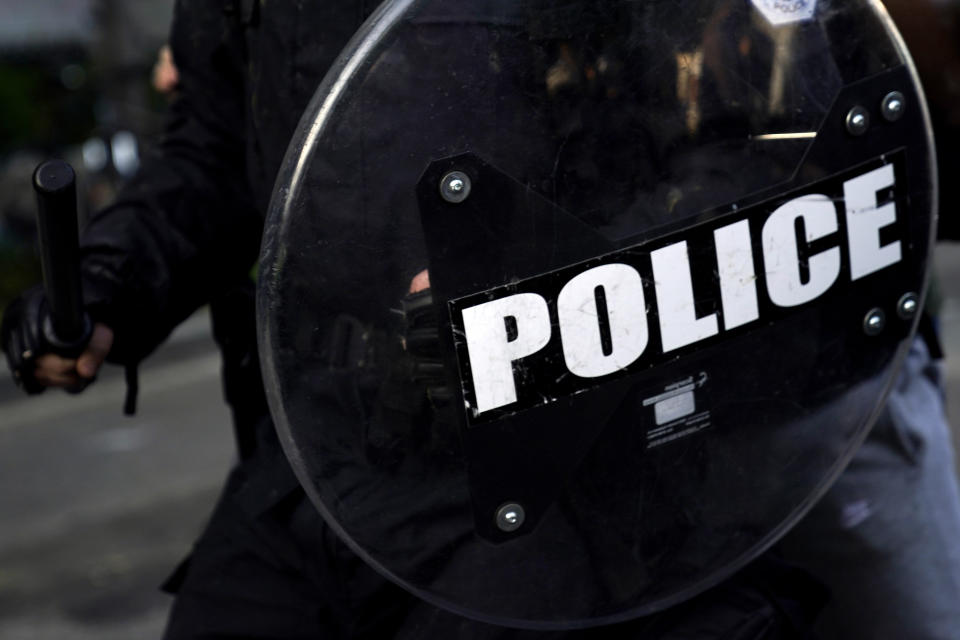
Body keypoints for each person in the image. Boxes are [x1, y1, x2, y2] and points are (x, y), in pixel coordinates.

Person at [1, 1, 957, 638]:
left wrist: (554, 291)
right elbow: (210, 156)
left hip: (538, 468)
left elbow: (749, 139)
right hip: (311, 462)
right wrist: (105, 286)